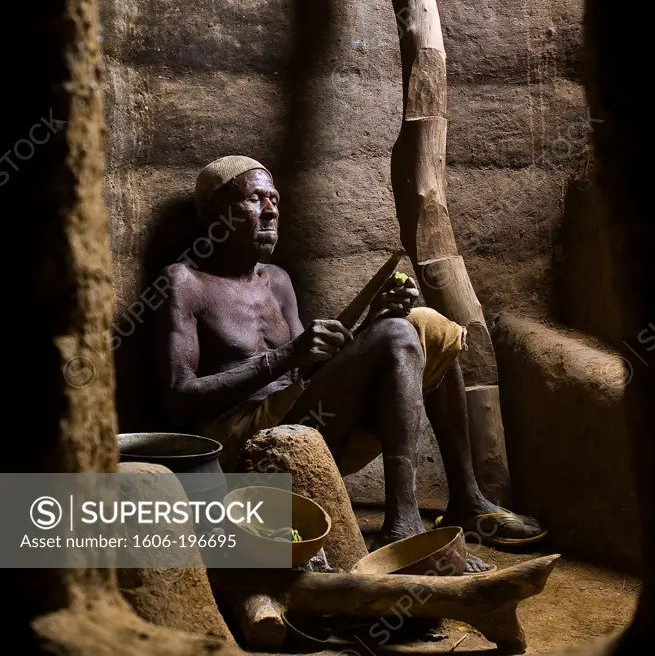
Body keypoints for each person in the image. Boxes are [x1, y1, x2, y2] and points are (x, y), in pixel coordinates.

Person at [157, 155, 545, 554]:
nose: (271, 211)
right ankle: (404, 523)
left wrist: (367, 330)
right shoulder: (184, 282)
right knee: (397, 332)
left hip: (311, 424)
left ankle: (466, 498)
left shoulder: (277, 281)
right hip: (249, 450)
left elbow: (313, 373)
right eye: (255, 199)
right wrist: (286, 357)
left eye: (274, 199)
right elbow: (180, 401)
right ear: (212, 213)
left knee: (424, 324)